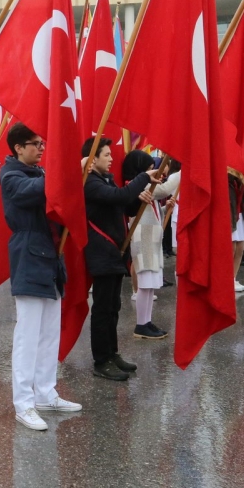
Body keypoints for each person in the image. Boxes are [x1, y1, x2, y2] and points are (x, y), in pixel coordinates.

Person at [0, 123, 81, 431]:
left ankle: (46, 392)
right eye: (35, 143)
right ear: (18, 147)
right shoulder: (11, 176)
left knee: (49, 333)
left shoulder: (41, 174)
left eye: (43, 142)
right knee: (28, 336)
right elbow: (28, 194)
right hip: (30, 253)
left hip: (50, 256)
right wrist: (68, 171)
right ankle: (24, 403)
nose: (42, 148)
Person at [83, 137, 159, 381]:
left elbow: (122, 207)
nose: (111, 158)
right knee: (103, 309)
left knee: (114, 307)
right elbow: (116, 197)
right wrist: (144, 177)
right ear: (93, 159)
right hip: (101, 251)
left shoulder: (106, 179)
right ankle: (101, 360)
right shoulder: (89, 182)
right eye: (106, 154)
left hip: (115, 252)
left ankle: (112, 353)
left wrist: (138, 202)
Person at [121, 151, 179, 340]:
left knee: (151, 284)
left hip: (150, 235)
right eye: (149, 168)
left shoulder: (144, 185)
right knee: (145, 284)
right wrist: (183, 172)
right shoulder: (138, 184)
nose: (153, 171)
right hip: (143, 237)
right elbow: (163, 190)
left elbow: (151, 211)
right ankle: (141, 323)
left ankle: (146, 321)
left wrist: (164, 208)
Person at [229, 172, 244, 292]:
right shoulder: (227, 181)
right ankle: (226, 279)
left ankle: (232, 278)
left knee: (240, 247)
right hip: (229, 213)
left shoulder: (241, 180)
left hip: (239, 213)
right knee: (231, 248)